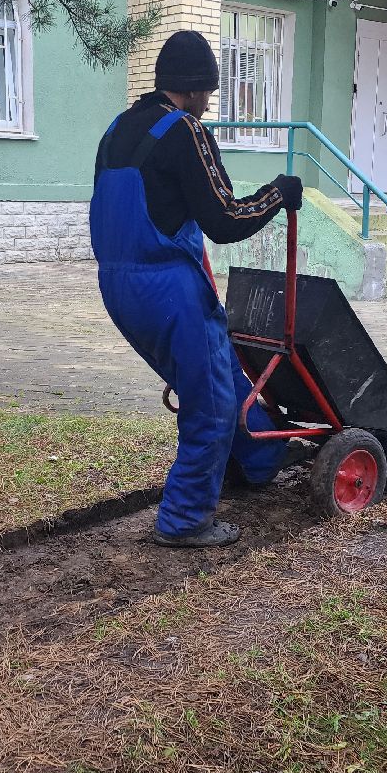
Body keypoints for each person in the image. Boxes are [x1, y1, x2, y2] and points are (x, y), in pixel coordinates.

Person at [90, 30, 304, 548]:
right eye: (208, 91)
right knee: (208, 401)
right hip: (169, 289)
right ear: (192, 88)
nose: (209, 103)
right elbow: (226, 220)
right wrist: (279, 193)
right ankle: (184, 519)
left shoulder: (119, 128)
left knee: (225, 373)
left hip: (118, 286)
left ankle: (259, 458)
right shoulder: (185, 130)